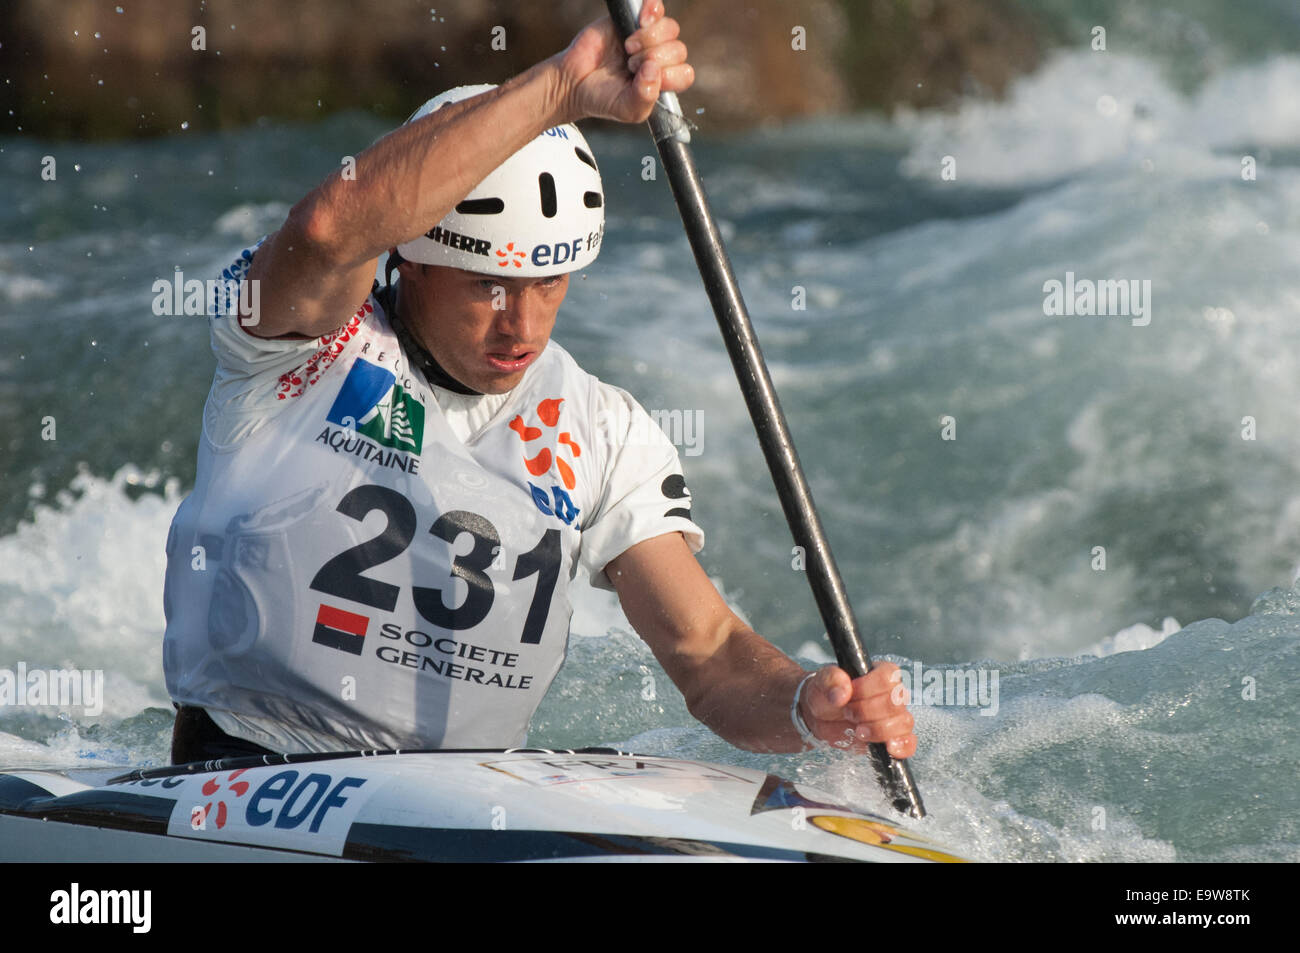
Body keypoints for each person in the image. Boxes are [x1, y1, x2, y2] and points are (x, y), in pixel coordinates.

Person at [162, 0, 916, 766]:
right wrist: (560, 88)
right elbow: (331, 230)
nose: (520, 325)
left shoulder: (602, 429)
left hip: (465, 805)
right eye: (488, 286)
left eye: (549, 283)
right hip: (242, 773)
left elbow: (710, 652)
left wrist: (807, 708)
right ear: (411, 258)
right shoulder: (298, 346)